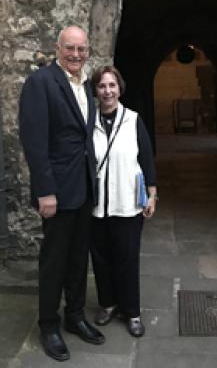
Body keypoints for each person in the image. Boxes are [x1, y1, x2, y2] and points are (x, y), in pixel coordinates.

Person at [19, 26, 105, 362]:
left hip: (83, 186)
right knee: (54, 260)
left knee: (78, 256)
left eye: (82, 49)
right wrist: (46, 192)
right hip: (57, 190)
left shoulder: (86, 85)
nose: (76, 55)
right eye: (70, 49)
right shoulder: (40, 83)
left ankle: (75, 316)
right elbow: (35, 144)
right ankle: (49, 324)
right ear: (57, 48)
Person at [90, 65, 157, 338]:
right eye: (102, 86)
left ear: (120, 88)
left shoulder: (133, 119)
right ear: (95, 91)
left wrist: (152, 194)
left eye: (112, 85)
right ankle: (108, 303)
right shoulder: (88, 121)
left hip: (128, 203)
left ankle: (132, 311)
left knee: (127, 259)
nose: (107, 91)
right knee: (101, 258)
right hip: (97, 206)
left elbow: (146, 159)